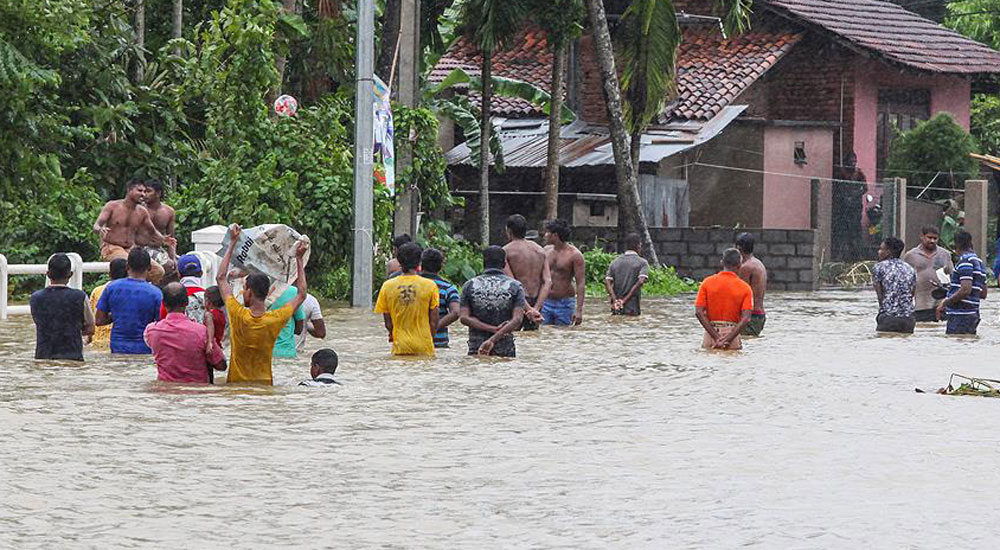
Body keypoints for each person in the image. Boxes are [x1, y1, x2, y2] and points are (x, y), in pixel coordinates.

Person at [217, 224, 309, 385]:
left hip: (236, 387)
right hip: (265, 386)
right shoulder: (275, 319)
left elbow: (221, 278)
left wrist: (232, 242)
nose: (243, 292)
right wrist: (299, 259)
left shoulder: (237, 313)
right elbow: (302, 294)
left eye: (244, 289)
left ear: (250, 292)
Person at [92, 180, 174, 283]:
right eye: (139, 190)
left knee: (158, 271)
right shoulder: (112, 206)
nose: (143, 194)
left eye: (145, 191)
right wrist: (100, 229)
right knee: (129, 263)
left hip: (131, 249)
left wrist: (163, 239)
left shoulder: (142, 211)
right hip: (111, 247)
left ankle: (140, 289)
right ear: (129, 190)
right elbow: (96, 225)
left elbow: (153, 231)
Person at [144, 282, 226, 384]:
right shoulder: (202, 332)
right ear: (186, 302)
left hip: (164, 393)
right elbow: (221, 365)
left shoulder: (151, 331)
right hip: (197, 394)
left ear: (164, 304)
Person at [374, 242, 440, 356]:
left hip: (400, 346)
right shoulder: (430, 285)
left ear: (399, 261)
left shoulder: (387, 286)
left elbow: (388, 322)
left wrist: (392, 334)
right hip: (424, 346)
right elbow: (434, 321)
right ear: (419, 261)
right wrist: (429, 338)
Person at [460, 246, 526, 357]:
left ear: (484, 262)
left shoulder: (469, 285)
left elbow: (464, 318)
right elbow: (517, 319)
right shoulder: (516, 286)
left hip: (477, 347)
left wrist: (491, 329)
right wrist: (494, 338)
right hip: (505, 349)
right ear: (504, 264)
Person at [95, 248, 163, 354]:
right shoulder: (156, 293)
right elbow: (161, 326)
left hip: (118, 347)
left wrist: (118, 315)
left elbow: (99, 320)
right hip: (145, 349)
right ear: (149, 267)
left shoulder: (112, 288)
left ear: (127, 266)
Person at [29, 254, 95, 361]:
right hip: (73, 357)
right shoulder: (80, 296)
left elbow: (40, 322)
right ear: (70, 274)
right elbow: (91, 328)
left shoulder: (35, 298)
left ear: (48, 274)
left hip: (43, 357)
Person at [694, 249, 754, 350]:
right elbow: (746, 318)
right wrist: (727, 339)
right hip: (732, 335)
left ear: (722, 262)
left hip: (711, 334)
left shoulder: (707, 283)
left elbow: (699, 312)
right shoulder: (745, 288)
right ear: (740, 265)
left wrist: (716, 337)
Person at [502, 214, 550, 330]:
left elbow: (512, 283)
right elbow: (547, 282)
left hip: (516, 302)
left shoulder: (505, 251)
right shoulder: (540, 250)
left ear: (509, 230)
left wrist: (528, 309)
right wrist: (536, 309)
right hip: (536, 301)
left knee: (513, 337)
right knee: (532, 339)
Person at [937, 229, 987, 335]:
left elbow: (965, 289)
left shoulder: (965, 262)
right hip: (973, 314)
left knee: (955, 346)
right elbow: (983, 293)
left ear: (956, 245)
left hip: (960, 316)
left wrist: (945, 302)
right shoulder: (979, 263)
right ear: (970, 243)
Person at [903, 226, 954, 322]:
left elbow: (953, 276)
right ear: (922, 237)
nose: (932, 241)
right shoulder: (911, 255)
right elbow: (905, 281)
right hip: (921, 304)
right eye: (929, 237)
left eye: (935, 238)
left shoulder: (945, 254)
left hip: (941, 304)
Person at [542, 219, 585, 326]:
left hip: (565, 303)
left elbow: (581, 283)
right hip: (545, 301)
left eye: (547, 232)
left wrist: (579, 310)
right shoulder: (545, 251)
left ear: (555, 235)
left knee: (563, 335)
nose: (545, 235)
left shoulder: (575, 255)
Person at [872, 237, 917, 334]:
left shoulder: (878, 267)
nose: (879, 252)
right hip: (908, 319)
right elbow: (912, 293)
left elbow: (880, 295)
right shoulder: (910, 269)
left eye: (881, 249)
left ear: (888, 252)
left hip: (888, 317)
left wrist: (884, 311)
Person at [135, 179, 177, 280]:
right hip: (140, 248)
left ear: (158, 193)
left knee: (179, 265)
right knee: (167, 264)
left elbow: (171, 239)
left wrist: (174, 257)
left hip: (158, 249)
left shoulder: (168, 211)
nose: (144, 195)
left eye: (148, 191)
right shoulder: (138, 210)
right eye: (143, 191)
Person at [419, 248, 461, 348]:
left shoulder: (412, 286)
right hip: (439, 342)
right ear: (441, 266)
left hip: (412, 341)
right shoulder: (448, 288)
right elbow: (456, 312)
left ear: (421, 265)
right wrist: (434, 327)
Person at [603, 232, 649, 316]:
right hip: (632, 307)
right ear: (638, 246)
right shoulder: (642, 262)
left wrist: (615, 300)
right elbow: (641, 281)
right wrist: (624, 301)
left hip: (616, 307)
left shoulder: (615, 262)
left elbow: (607, 281)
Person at [88, 258, 128, 350]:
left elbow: (91, 320)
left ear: (109, 274)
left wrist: (90, 339)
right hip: (118, 343)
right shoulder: (131, 292)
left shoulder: (97, 291)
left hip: (97, 343)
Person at [735, 232, 768, 336]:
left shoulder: (746, 267)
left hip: (750, 315)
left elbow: (740, 294)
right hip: (759, 314)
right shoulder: (758, 263)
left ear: (738, 248)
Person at [270, 284, 306, 359]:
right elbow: (299, 328)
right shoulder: (292, 291)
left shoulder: (256, 289)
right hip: (286, 352)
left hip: (261, 354)